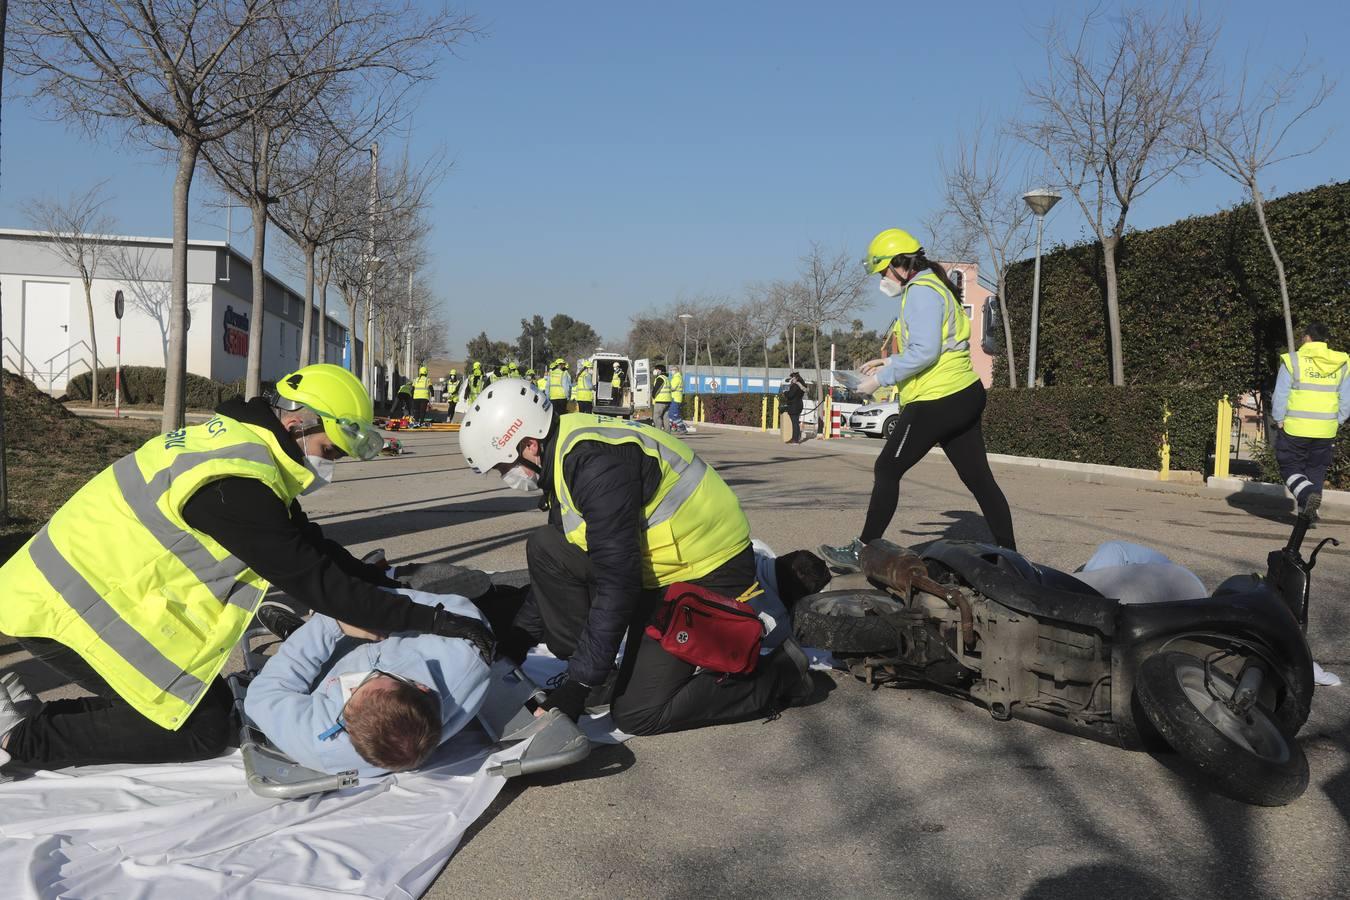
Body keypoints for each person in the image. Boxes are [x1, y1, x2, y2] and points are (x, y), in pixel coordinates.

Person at [0, 363, 492, 772]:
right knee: (202, 729)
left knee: (193, 705)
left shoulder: (245, 452)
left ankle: (23, 711)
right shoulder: (235, 488)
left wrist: (378, 582)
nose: (332, 461)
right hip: (64, 612)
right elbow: (318, 585)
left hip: (75, 593)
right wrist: (432, 620)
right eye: (331, 448)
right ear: (300, 422)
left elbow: (309, 546)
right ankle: (20, 738)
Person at [457, 379, 815, 736]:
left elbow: (618, 582)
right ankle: (600, 674)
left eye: (505, 468)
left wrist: (577, 687)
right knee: (547, 546)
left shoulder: (595, 466)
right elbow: (566, 560)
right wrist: (519, 638)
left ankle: (782, 675)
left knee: (637, 714)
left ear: (529, 445)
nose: (507, 477)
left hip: (707, 570)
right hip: (657, 567)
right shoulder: (563, 451)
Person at [821, 228, 1016, 571]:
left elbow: (925, 353)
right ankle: (1012, 559)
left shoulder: (921, 293)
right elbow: (937, 347)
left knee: (887, 467)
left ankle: (862, 550)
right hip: (962, 393)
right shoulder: (934, 286)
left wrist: (879, 380)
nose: (882, 279)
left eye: (883, 271)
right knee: (979, 480)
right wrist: (889, 361)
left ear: (900, 264)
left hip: (938, 398)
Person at [244, 589, 492, 778]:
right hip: (391, 632)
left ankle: (301, 633)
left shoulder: (324, 745)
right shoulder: (465, 654)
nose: (351, 686)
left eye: (348, 702)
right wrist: (377, 604)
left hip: (327, 662)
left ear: (349, 733)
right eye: (368, 681)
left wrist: (333, 623)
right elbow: (460, 613)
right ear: (421, 687)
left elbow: (265, 694)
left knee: (308, 653)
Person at [1271, 322, 1349, 521]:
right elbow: (1346, 399)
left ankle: (1306, 498)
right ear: (1325, 340)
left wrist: (1279, 419)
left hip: (1295, 427)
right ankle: (1308, 516)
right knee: (1316, 469)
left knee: (1288, 466)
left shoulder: (1293, 361)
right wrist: (1336, 421)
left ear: (1307, 337)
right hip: (1326, 429)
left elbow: (1280, 395)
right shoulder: (1342, 363)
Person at [780, 372, 805, 443]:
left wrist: (785, 392)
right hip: (798, 405)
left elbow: (790, 395)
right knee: (795, 423)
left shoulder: (795, 386)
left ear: (796, 378)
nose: (791, 379)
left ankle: (795, 439)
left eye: (792, 378)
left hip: (794, 406)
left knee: (795, 423)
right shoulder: (801, 386)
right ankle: (794, 438)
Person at [667, 366, 687, 433]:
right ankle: (669, 428)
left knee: (674, 415)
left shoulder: (677, 378)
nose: (671, 371)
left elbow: (672, 388)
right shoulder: (677, 377)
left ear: (676, 370)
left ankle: (682, 428)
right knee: (670, 414)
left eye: (672, 370)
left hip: (676, 398)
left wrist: (666, 388)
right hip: (675, 397)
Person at [651, 364, 671, 430]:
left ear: (659, 370)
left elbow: (657, 389)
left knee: (657, 417)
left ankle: (658, 432)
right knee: (666, 417)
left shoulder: (660, 378)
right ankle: (667, 433)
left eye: (656, 369)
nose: (654, 371)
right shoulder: (666, 378)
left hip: (660, 401)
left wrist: (653, 395)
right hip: (667, 401)